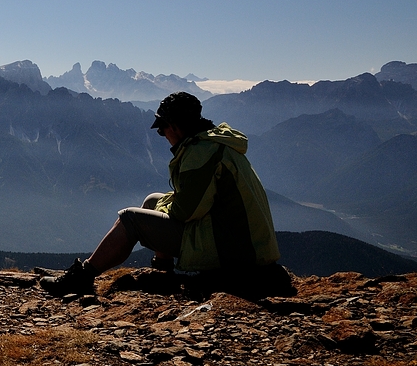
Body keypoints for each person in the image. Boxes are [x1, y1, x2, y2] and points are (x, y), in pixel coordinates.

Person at [41, 92, 282, 297]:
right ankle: (162, 272)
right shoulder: (214, 143)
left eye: (162, 129)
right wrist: (163, 206)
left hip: (233, 251)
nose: (162, 135)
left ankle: (81, 278)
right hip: (243, 242)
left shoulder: (201, 154)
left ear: (175, 126)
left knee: (130, 219)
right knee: (153, 200)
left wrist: (159, 215)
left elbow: (185, 212)